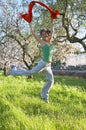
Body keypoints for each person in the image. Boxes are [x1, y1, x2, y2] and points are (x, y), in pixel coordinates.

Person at [7, 18, 54, 103]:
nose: (43, 35)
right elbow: (33, 33)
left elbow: (52, 30)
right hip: (43, 63)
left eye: (45, 33)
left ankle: (44, 97)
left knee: (50, 80)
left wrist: (52, 20)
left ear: (47, 33)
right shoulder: (42, 42)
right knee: (30, 72)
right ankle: (13, 71)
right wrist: (30, 24)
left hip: (48, 65)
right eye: (42, 34)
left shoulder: (50, 40)